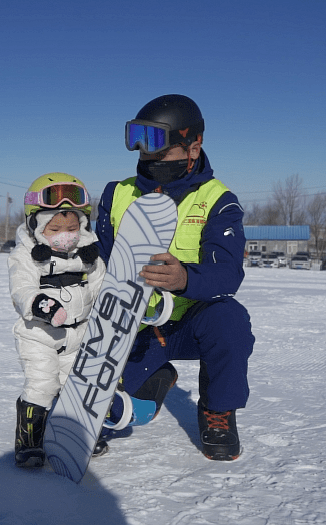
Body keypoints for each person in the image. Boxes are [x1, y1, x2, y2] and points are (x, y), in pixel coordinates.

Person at [95, 94, 255, 461]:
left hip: (188, 323)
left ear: (193, 147)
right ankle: (155, 378)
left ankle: (218, 410)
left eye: (157, 149)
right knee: (111, 405)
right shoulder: (116, 194)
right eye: (140, 146)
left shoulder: (217, 200)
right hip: (132, 325)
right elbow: (100, 261)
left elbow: (227, 273)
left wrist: (185, 278)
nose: (146, 157)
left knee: (229, 319)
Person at [8, 173, 106, 467]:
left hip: (79, 334)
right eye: (56, 228)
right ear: (37, 226)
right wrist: (42, 304)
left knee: (75, 386)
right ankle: (29, 442)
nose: (66, 234)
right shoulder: (26, 255)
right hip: (39, 334)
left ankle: (77, 434)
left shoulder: (89, 256)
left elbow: (101, 286)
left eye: (73, 227)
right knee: (43, 385)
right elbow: (21, 289)